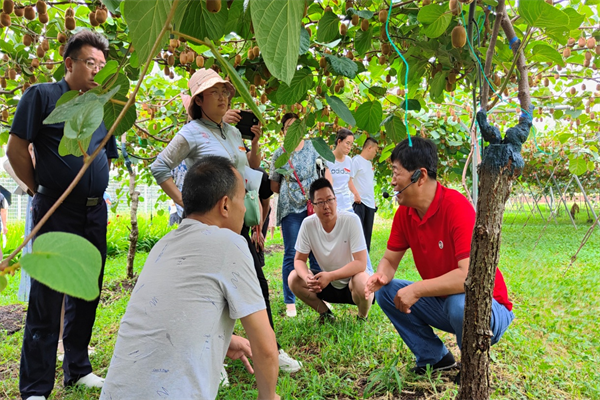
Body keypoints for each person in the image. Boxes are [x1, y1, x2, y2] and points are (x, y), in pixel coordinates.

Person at [150, 68, 301, 373]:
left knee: (256, 284)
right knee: (209, 291)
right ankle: (212, 359)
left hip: (238, 220)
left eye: (225, 91)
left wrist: (256, 147)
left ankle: (270, 349)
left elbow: (249, 171)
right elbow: (160, 167)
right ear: (199, 100)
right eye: (214, 92)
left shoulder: (233, 133)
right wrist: (184, 202)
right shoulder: (191, 132)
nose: (222, 96)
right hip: (208, 225)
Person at [101, 156, 280, 400]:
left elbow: (164, 314)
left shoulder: (163, 244)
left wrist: (224, 342)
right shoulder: (231, 243)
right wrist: (268, 397)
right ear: (225, 205)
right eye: (243, 199)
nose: (246, 208)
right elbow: (266, 348)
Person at [6, 30, 117, 400]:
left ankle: (78, 368)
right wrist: (38, 188)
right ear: (69, 63)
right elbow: (16, 148)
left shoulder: (100, 105)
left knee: (88, 291)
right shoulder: (42, 96)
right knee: (48, 296)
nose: (96, 71)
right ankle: (36, 387)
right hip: (56, 210)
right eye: (90, 63)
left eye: (101, 65)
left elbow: (106, 155)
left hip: (93, 213)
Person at [365, 137, 514, 375]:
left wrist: (417, 289)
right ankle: (435, 358)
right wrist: (380, 277)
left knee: (459, 304)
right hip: (448, 303)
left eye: (396, 173)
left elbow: (468, 276)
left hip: (489, 307)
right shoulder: (405, 213)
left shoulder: (456, 206)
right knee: (387, 292)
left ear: (420, 176)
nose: (392, 182)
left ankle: (472, 367)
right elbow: (390, 260)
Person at [269, 113, 332, 318]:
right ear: (282, 132)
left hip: (312, 206)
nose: (293, 129)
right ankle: (290, 301)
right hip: (290, 209)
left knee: (316, 251)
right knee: (292, 253)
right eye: (288, 126)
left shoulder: (313, 148)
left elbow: (326, 171)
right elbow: (274, 185)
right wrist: (293, 189)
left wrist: (327, 196)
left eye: (297, 125)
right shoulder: (279, 153)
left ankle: (320, 297)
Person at [288, 178, 374, 322]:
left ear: (336, 200)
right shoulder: (308, 224)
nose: (326, 206)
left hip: (352, 281)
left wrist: (330, 276)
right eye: (320, 202)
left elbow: (361, 263)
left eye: (330, 200)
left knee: (363, 281)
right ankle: (326, 314)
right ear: (313, 205)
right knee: (293, 278)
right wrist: (307, 278)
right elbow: (299, 260)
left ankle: (362, 316)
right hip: (327, 284)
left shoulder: (351, 220)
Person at [352, 137, 378, 252]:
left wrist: (373, 199)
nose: (375, 153)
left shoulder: (369, 164)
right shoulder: (356, 161)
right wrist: (355, 194)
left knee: (367, 237)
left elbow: (368, 183)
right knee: (358, 237)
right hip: (359, 202)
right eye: (375, 150)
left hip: (369, 204)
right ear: (369, 147)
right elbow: (349, 179)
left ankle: (365, 264)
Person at [325, 128, 357, 213]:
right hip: (333, 205)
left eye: (351, 144)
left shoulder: (349, 160)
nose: (349, 147)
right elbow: (327, 185)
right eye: (347, 143)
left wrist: (356, 195)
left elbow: (349, 181)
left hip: (347, 205)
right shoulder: (327, 159)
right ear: (339, 142)